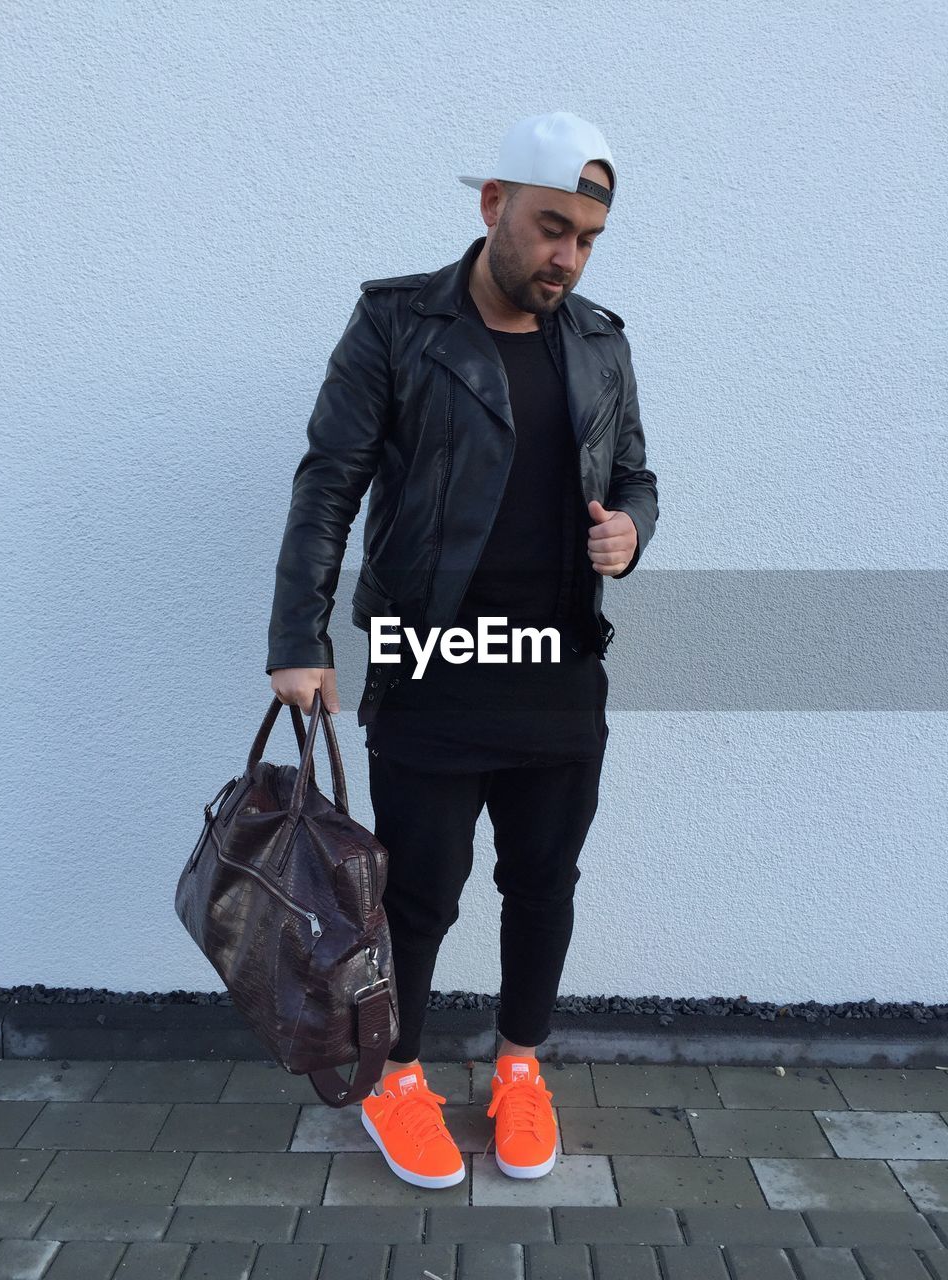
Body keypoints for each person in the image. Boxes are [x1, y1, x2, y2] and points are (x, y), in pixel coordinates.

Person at [267, 111, 659, 1188]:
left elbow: (636, 476)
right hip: (431, 658)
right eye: (549, 228)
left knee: (544, 879)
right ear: (492, 206)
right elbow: (329, 480)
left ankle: (520, 1065)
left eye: (586, 237)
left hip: (559, 662)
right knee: (420, 890)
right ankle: (398, 1074)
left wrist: (631, 532)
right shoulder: (398, 323)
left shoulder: (600, 339)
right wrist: (298, 633)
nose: (566, 257)